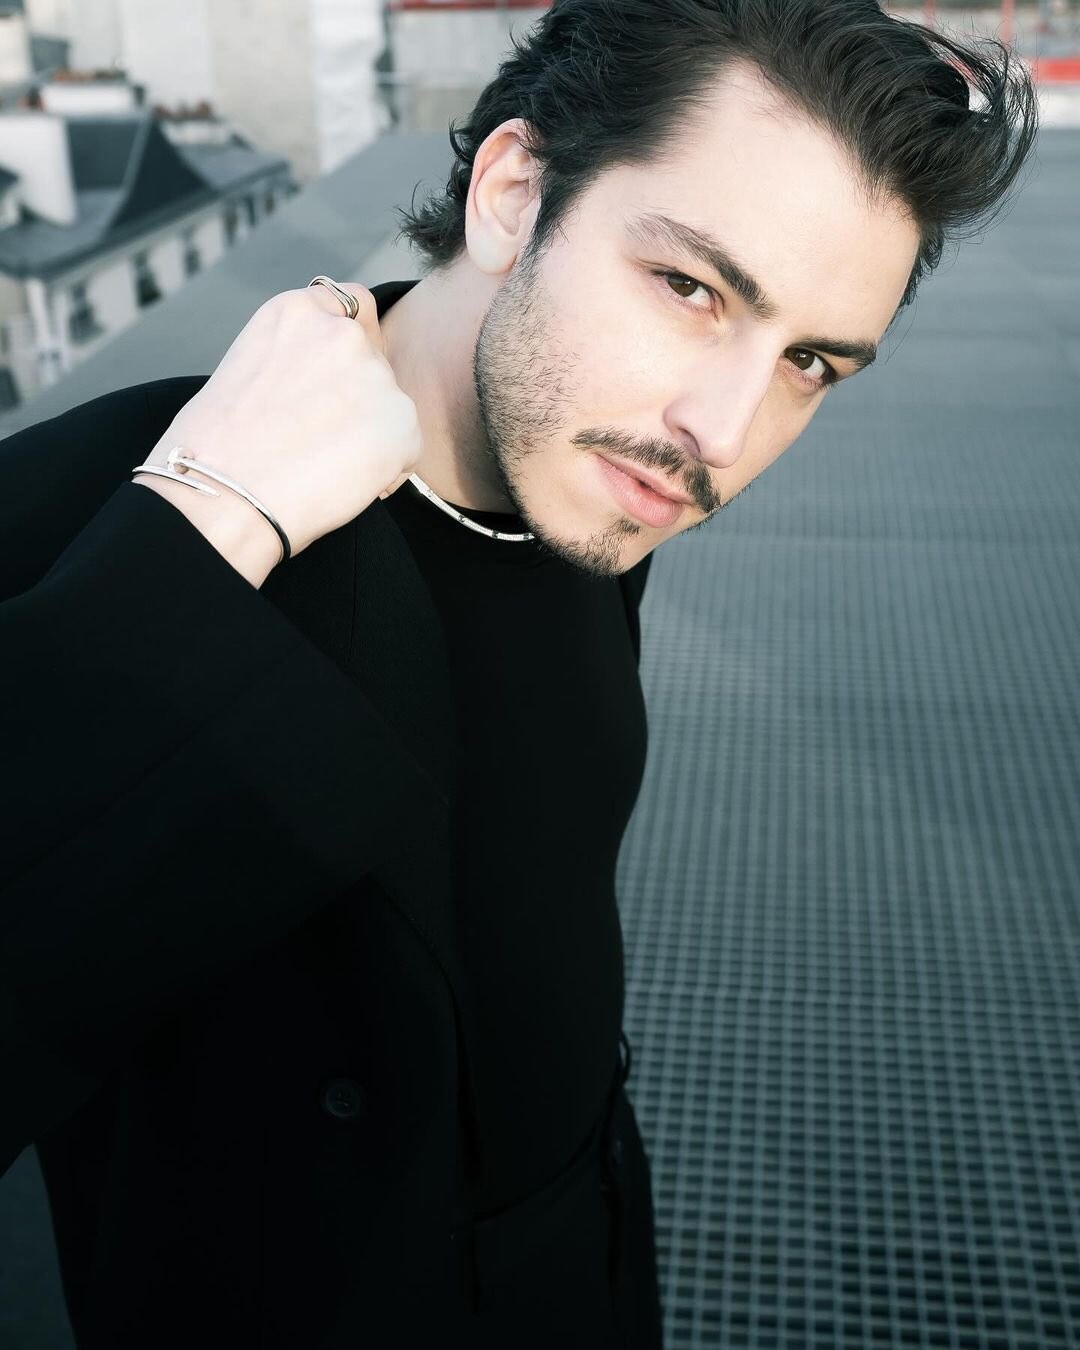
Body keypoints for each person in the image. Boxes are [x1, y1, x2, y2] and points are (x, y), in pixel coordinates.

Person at [0, 2, 1037, 1346]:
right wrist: (208, 528)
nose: (723, 432)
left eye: (808, 362)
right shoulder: (96, 503)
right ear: (512, 192)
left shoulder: (593, 480)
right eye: (690, 287)